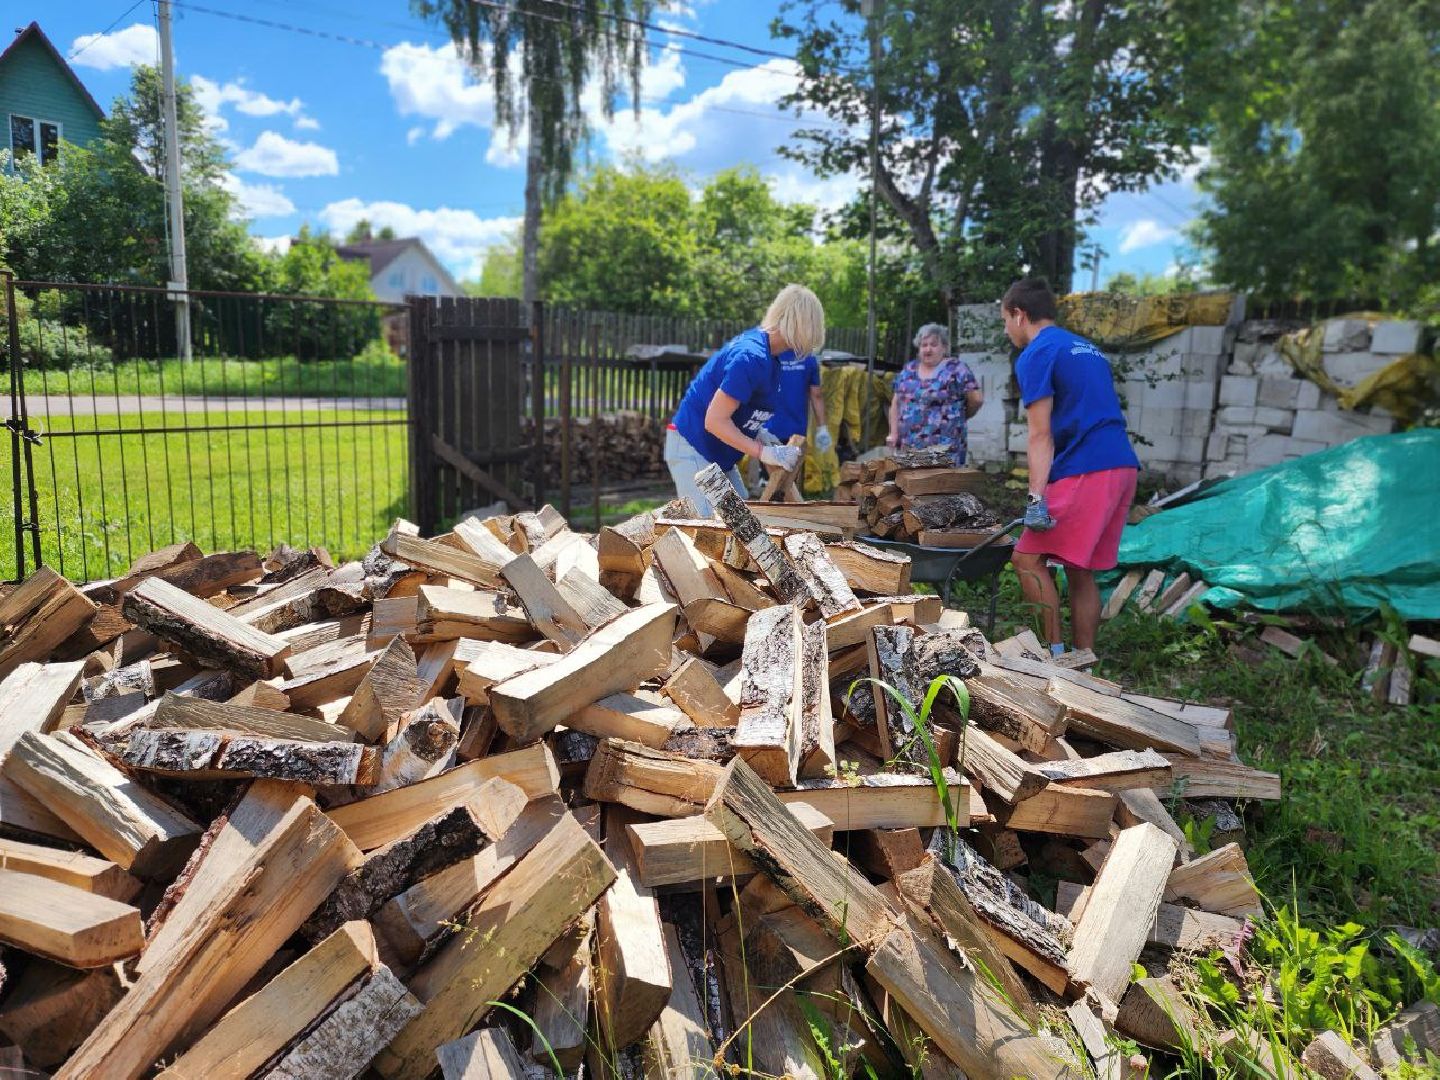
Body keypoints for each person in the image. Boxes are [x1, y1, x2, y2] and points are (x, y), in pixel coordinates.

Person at [1003, 276, 1139, 657]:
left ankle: (1055, 656)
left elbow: (1040, 435)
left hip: (1088, 468)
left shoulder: (1038, 352)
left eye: (1005, 320)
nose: (1006, 330)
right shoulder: (1086, 348)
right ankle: (1085, 663)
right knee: (1081, 569)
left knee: (1026, 559)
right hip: (1121, 466)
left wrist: (1036, 499)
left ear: (1019, 315)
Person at [665, 284, 826, 515]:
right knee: (711, 528)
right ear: (801, 324)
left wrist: (759, 433)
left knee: (744, 523)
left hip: (718, 453)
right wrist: (763, 453)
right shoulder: (751, 357)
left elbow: (743, 408)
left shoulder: (772, 359)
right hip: (694, 445)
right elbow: (715, 421)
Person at [887, 323, 984, 465]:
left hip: (945, 449)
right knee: (911, 479)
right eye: (924, 345)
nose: (928, 349)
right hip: (909, 447)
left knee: (942, 479)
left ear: (944, 347)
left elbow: (976, 399)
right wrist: (893, 433)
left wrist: (961, 416)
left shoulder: (956, 369)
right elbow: (896, 403)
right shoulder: (908, 370)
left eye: (933, 344)